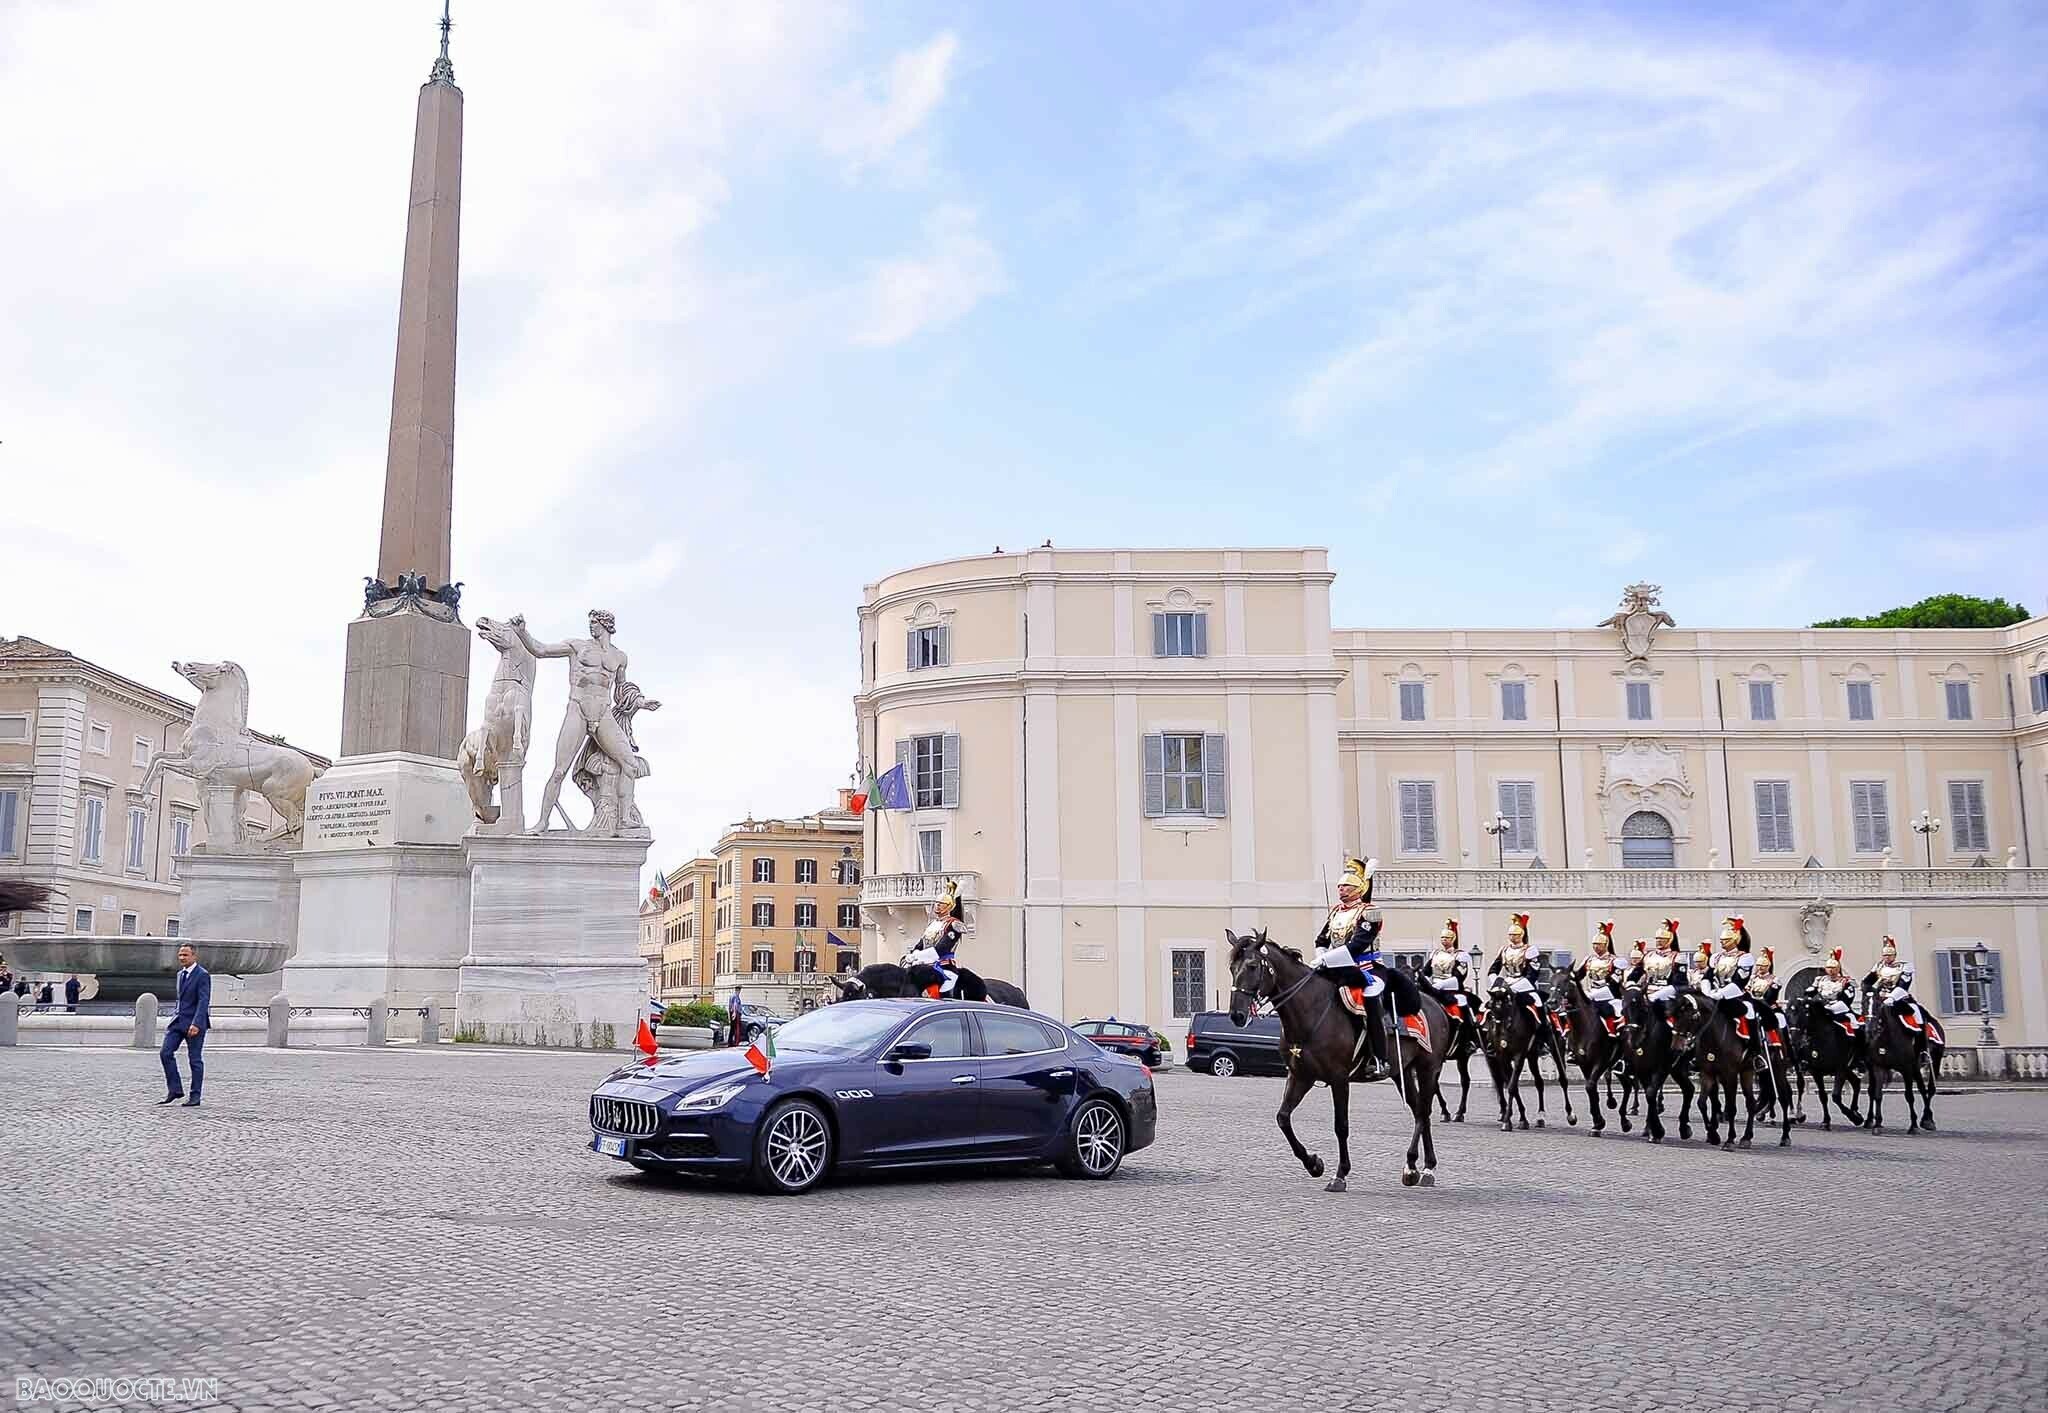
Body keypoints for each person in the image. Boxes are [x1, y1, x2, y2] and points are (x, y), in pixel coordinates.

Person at [1311, 856, 1391, 1081]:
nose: (1341, 889)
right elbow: (1321, 940)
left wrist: (1326, 960)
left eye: (1346, 886)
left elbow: (1357, 946)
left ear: (1358, 888)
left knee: (1371, 997)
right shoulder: (1336, 911)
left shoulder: (1370, 912)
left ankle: (1379, 1058)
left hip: (1368, 967)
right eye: (1339, 886)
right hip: (1339, 967)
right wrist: (1321, 956)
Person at [159, 943, 210, 1108]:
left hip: (195, 1024)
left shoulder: (202, 975)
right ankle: (175, 1090)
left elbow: (203, 1001)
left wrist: (196, 1023)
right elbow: (181, 999)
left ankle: (195, 1096)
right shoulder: (180, 974)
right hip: (178, 1022)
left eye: (185, 955)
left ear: (194, 956)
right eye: (180, 955)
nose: (182, 958)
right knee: (165, 1052)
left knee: (194, 1060)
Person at [902, 880, 965, 998]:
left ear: (949, 906)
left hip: (944, 965)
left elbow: (941, 949)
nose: (938, 906)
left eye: (941, 904)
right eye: (937, 903)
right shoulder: (933, 924)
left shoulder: (954, 925)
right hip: (924, 965)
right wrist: (913, 954)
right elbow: (921, 944)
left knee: (946, 987)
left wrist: (917, 956)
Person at [1569, 920, 1629, 1035]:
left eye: (1599, 945)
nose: (1596, 947)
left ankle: (1613, 1032)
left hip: (1609, 991)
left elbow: (1615, 980)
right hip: (1593, 989)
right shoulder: (1589, 959)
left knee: (1604, 1007)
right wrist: (1570, 975)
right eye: (1594, 945)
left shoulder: (1615, 960)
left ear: (1605, 945)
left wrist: (1603, 982)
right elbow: (1580, 975)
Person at [1862, 936, 1933, 1031]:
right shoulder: (1879, 967)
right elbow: (1867, 982)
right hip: (1879, 997)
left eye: (1889, 955)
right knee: (1866, 1016)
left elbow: (1903, 986)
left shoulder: (1904, 966)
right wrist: (1869, 992)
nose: (1887, 957)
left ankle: (1922, 1043)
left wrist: (1891, 997)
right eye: (1885, 955)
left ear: (1894, 955)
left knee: (1916, 1013)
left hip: (1899, 998)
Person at [1704, 917, 1760, 1035]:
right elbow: (1707, 977)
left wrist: (1721, 994)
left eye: (1726, 940)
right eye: (1721, 940)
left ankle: (1755, 1048)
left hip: (1736, 995)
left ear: (1735, 940)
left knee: (1749, 1009)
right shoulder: (1716, 957)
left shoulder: (1744, 958)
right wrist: (1707, 993)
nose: (1722, 942)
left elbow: (1739, 983)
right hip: (1714, 994)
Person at [1486, 913, 1544, 1021]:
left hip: (1524, 986)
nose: (1512, 937)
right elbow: (1493, 970)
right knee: (1487, 1007)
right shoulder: (1504, 950)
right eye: (1510, 935)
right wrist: (1497, 984)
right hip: (1505, 984)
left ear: (1521, 935)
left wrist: (1512, 988)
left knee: (1538, 1002)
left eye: (1515, 935)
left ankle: (1545, 1031)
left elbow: (1532, 976)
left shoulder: (1530, 951)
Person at [1421, 917, 1478, 1022]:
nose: (1444, 939)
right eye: (1442, 937)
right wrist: (1424, 981)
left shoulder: (1460, 955)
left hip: (1451, 990)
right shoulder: (1435, 954)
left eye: (1447, 937)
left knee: (1462, 1001)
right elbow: (1426, 971)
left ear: (1453, 939)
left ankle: (1470, 1028)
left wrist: (1440, 985)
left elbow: (1458, 978)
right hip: (1433, 988)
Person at [1637, 919, 1689, 1021]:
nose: (1659, 941)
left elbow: (1680, 982)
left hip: (1667, 991)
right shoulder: (1648, 956)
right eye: (1657, 939)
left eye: (1662, 939)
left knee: (1670, 1015)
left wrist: (1658, 994)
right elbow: (1637, 972)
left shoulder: (1677, 957)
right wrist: (1631, 984)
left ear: (1669, 940)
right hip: (1647, 990)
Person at [1812, 947, 1858, 1027]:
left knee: (1854, 1025)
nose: (1831, 970)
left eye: (1833, 968)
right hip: (1821, 1008)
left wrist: (1831, 1008)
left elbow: (1847, 1000)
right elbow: (1811, 994)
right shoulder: (1820, 980)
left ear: (1838, 969)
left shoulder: (1845, 982)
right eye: (1829, 968)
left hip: (1839, 1010)